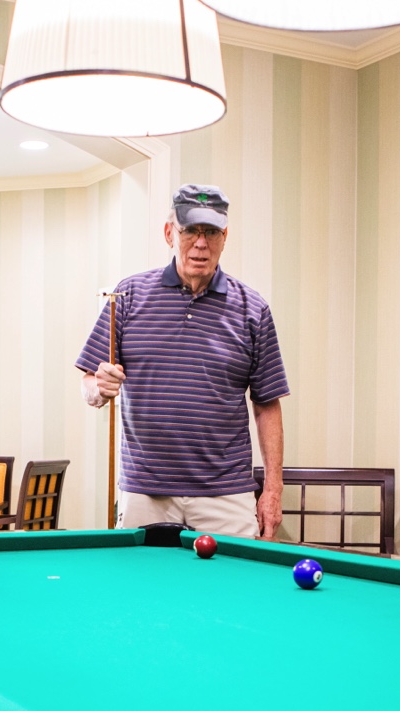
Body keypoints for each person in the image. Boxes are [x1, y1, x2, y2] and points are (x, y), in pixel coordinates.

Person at [77, 184, 289, 538]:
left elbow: (267, 405)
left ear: (225, 237)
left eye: (211, 233)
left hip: (227, 494)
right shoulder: (126, 297)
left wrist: (272, 491)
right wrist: (98, 389)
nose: (201, 243)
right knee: (140, 591)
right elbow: (89, 383)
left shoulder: (253, 309)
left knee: (234, 593)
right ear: (168, 233)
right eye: (190, 230)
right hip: (145, 491)